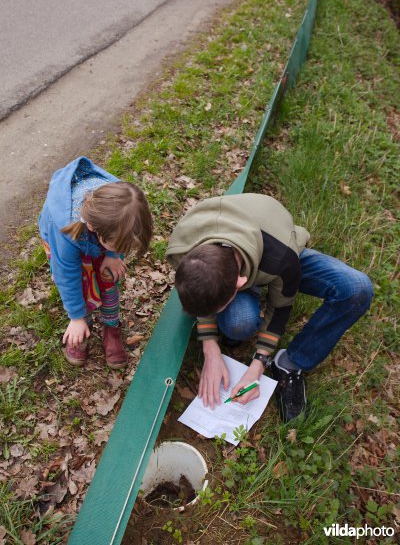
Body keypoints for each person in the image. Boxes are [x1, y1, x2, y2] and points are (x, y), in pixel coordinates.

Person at [166, 193, 373, 422]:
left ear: (240, 283)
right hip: (239, 253)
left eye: (220, 306)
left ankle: (291, 363)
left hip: (273, 246)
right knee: (239, 323)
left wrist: (257, 366)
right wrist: (210, 347)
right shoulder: (183, 249)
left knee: (356, 288)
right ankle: (231, 330)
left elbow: (281, 308)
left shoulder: (281, 258)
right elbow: (198, 295)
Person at [39, 157, 152, 369]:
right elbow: (67, 276)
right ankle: (83, 325)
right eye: (119, 246)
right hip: (65, 237)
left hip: (100, 235)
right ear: (93, 227)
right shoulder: (65, 231)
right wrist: (76, 317)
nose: (123, 250)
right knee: (81, 281)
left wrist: (113, 256)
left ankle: (111, 327)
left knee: (108, 276)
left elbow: (121, 236)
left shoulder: (124, 204)